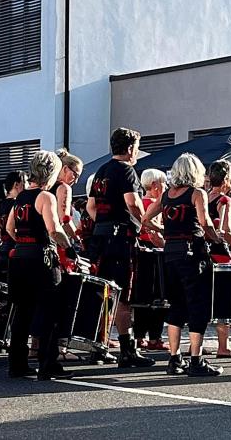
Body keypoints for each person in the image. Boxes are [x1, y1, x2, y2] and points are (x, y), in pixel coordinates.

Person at [142, 153, 223, 377]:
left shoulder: (167, 195)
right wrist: (216, 239)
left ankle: (174, 358)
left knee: (176, 304)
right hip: (192, 251)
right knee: (197, 305)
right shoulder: (197, 193)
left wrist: (166, 232)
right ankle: (196, 359)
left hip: (171, 252)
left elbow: (146, 219)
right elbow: (205, 221)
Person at [86, 127, 154, 368]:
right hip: (121, 239)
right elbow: (133, 203)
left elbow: (90, 207)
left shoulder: (101, 171)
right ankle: (127, 350)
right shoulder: (126, 170)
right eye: (136, 148)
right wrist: (147, 223)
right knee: (123, 295)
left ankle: (99, 345)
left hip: (101, 238)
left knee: (104, 293)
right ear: (129, 149)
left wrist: (102, 224)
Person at [6, 150, 77, 381]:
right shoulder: (46, 197)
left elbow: (8, 228)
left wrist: (23, 242)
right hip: (42, 258)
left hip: (19, 258)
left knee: (21, 312)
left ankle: (17, 363)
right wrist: (69, 247)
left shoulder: (20, 197)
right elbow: (54, 229)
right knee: (49, 311)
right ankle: (48, 364)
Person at [206, 160, 231, 358]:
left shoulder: (204, 197)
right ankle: (223, 346)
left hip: (204, 253)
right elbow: (226, 228)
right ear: (227, 179)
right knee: (223, 300)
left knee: (206, 299)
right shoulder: (225, 200)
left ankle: (198, 344)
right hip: (221, 254)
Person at [134, 169, 167, 352]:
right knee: (158, 298)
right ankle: (155, 337)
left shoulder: (140, 202)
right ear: (155, 185)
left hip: (140, 253)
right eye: (163, 183)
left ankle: (139, 336)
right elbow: (154, 235)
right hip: (154, 254)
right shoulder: (155, 204)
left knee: (141, 297)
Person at [0, 172, 26, 281]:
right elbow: (9, 228)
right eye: (24, 182)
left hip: (3, 249)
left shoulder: (2, 203)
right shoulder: (16, 203)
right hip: (14, 250)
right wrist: (19, 241)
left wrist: (4, 238)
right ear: (17, 185)